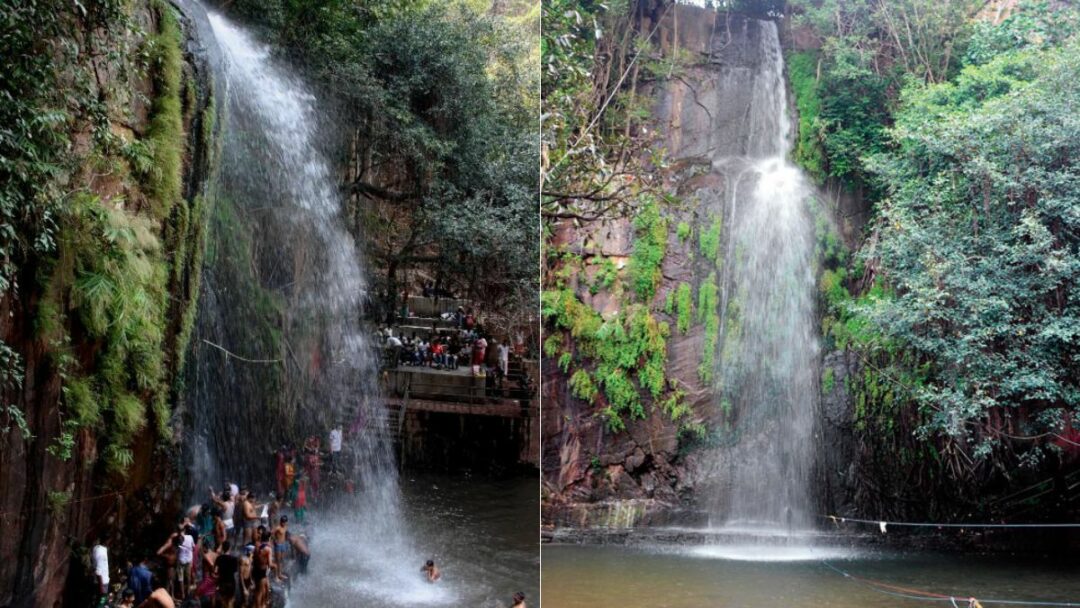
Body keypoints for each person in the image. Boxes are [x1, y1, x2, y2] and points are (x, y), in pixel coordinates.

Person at [252, 529, 275, 608]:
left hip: (256, 569)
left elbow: (254, 558)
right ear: (268, 538)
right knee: (260, 592)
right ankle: (260, 605)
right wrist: (275, 566)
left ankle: (263, 604)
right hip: (262, 571)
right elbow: (270, 564)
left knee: (261, 589)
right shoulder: (268, 549)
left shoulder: (256, 545)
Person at [214, 541, 239, 608]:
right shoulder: (234, 559)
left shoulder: (219, 558)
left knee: (223, 601)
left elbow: (215, 571)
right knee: (230, 601)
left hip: (222, 582)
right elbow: (235, 571)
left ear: (222, 548)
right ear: (229, 548)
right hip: (231, 582)